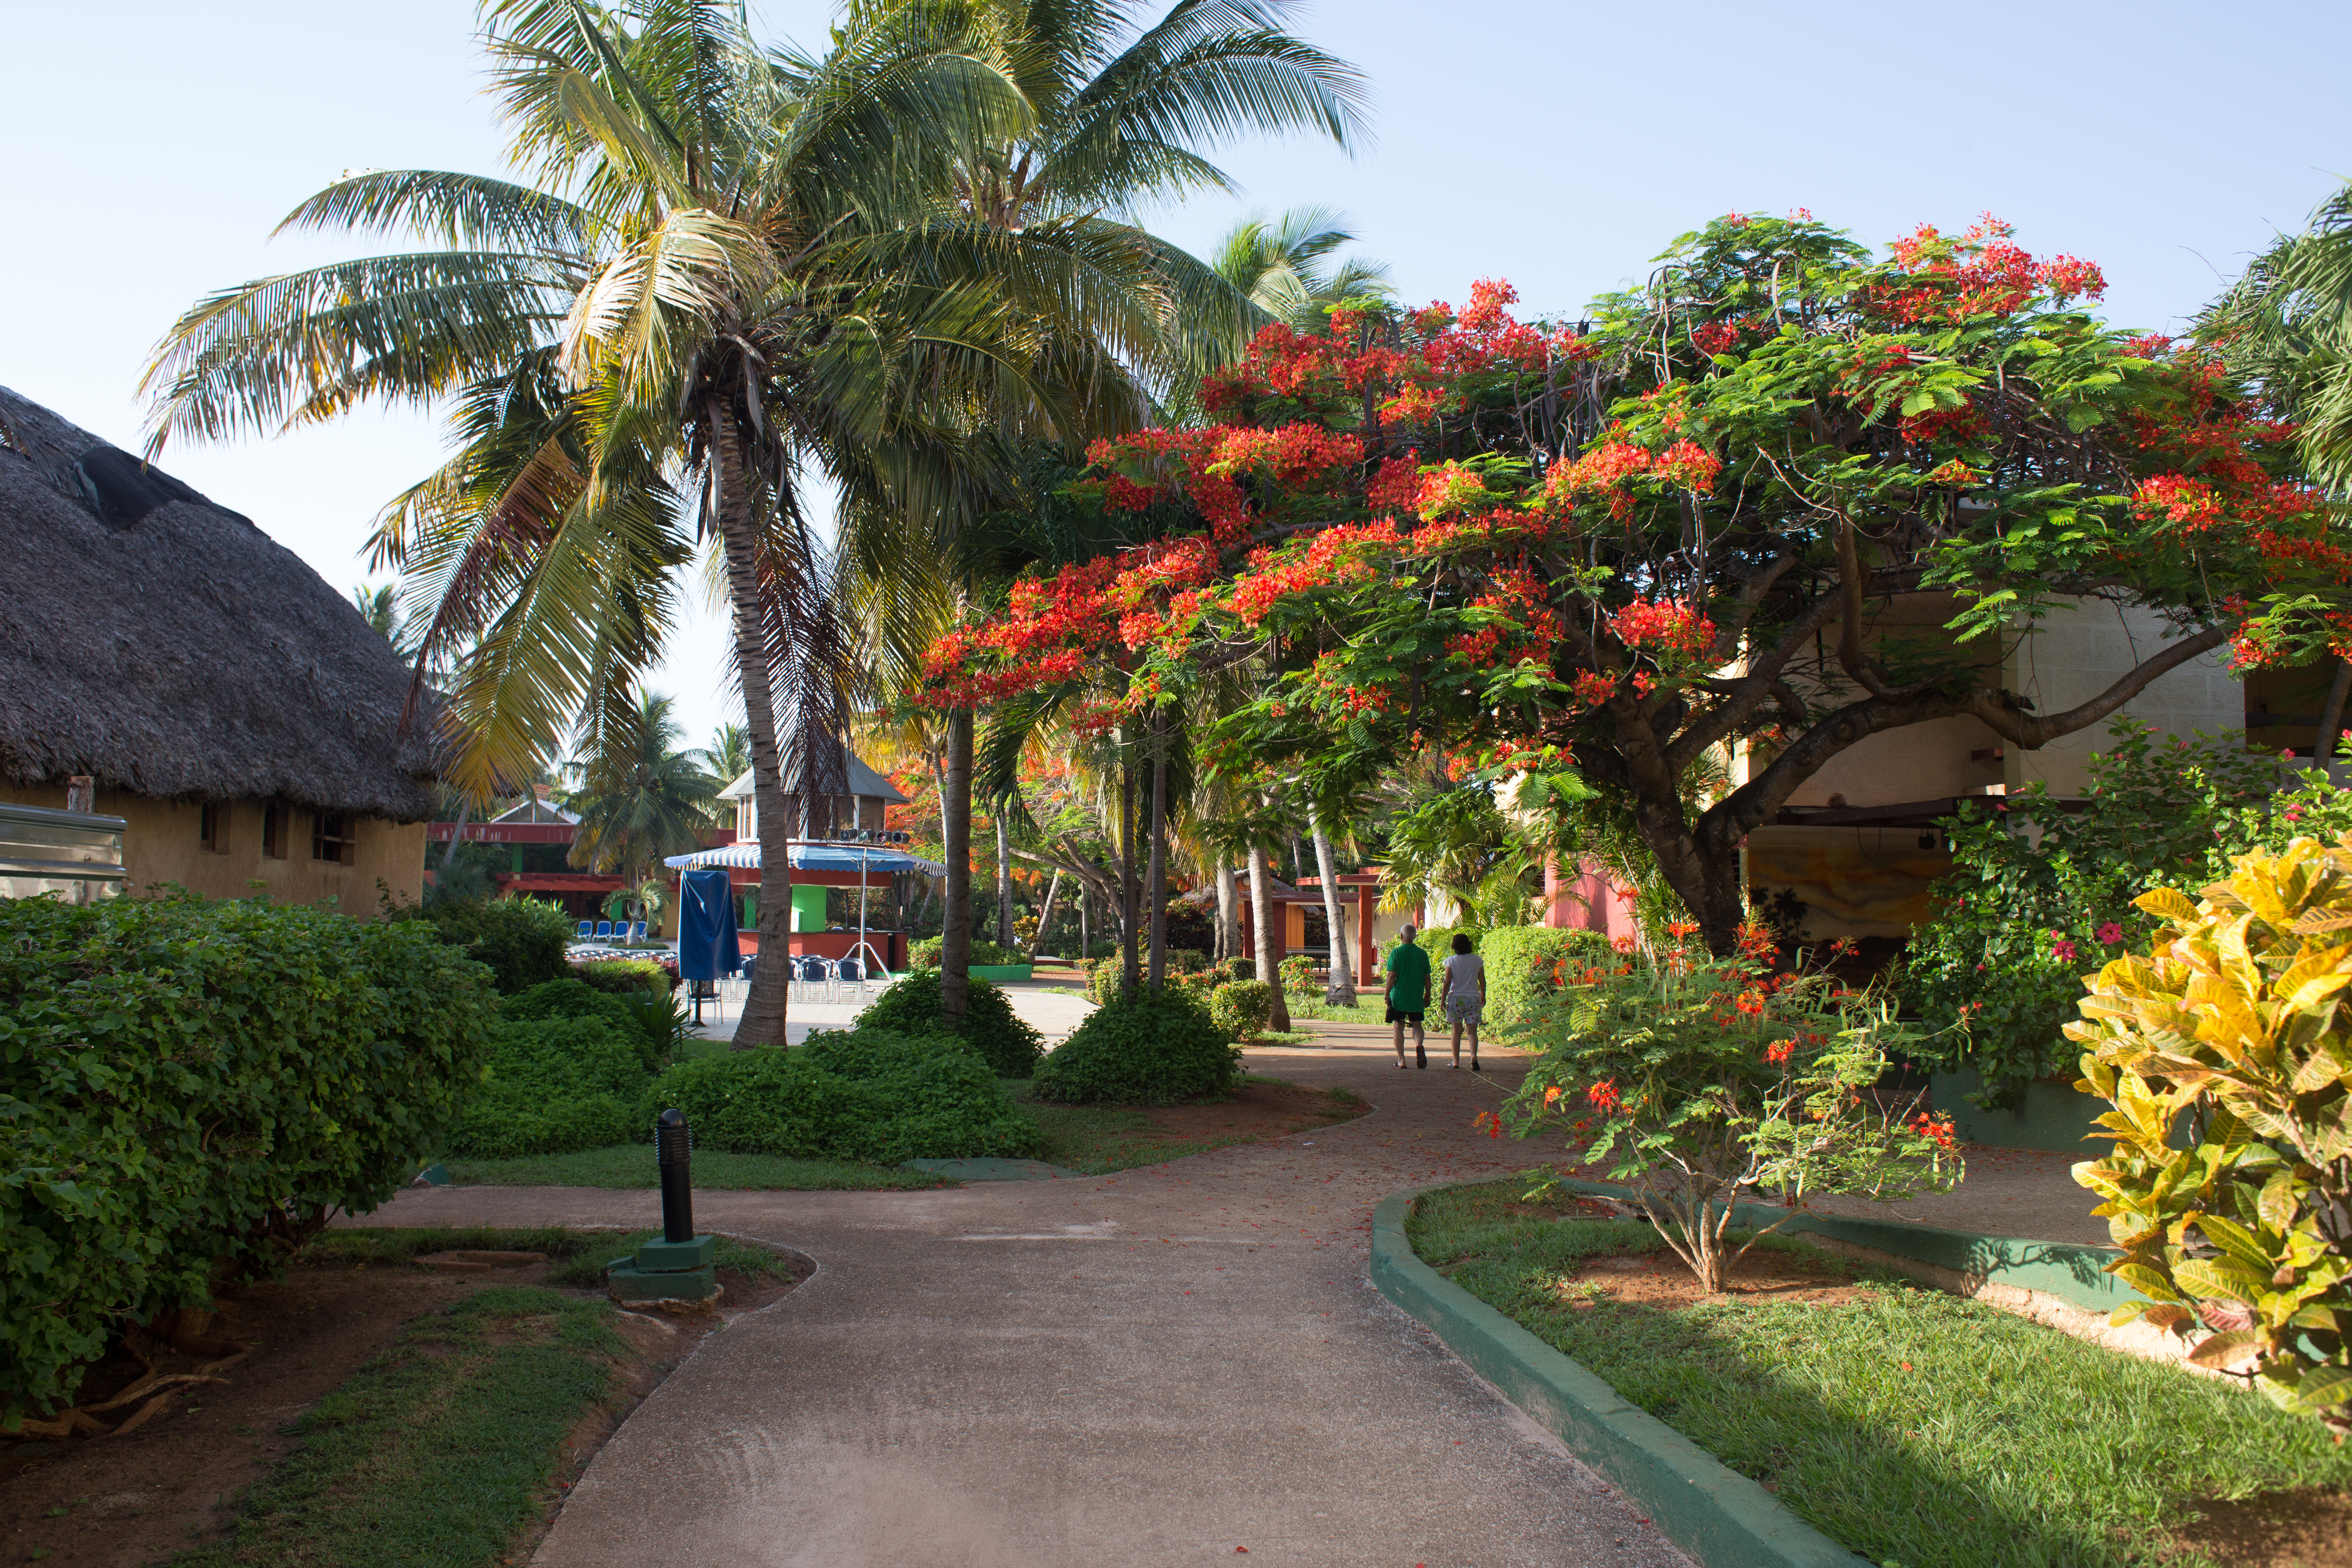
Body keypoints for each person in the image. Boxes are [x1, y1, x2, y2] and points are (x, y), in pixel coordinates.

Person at [1384, 924, 1431, 1069]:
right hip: (1416, 997)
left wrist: (1387, 994)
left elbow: (1392, 975)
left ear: (1401, 936)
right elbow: (1427, 978)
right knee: (1417, 1026)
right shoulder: (1422, 954)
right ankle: (1419, 1045)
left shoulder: (1396, 953)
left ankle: (1402, 1060)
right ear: (1415, 936)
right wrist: (1427, 995)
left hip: (1399, 998)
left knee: (1399, 1027)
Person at [1438, 932, 1484, 1070]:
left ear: (1455, 946)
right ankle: (1473, 1056)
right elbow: (1482, 980)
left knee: (1456, 1032)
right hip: (1473, 998)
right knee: (1472, 1032)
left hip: (1456, 999)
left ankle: (1456, 1061)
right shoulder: (1478, 960)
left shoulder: (1451, 961)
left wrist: (1442, 1000)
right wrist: (1483, 995)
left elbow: (1447, 981)